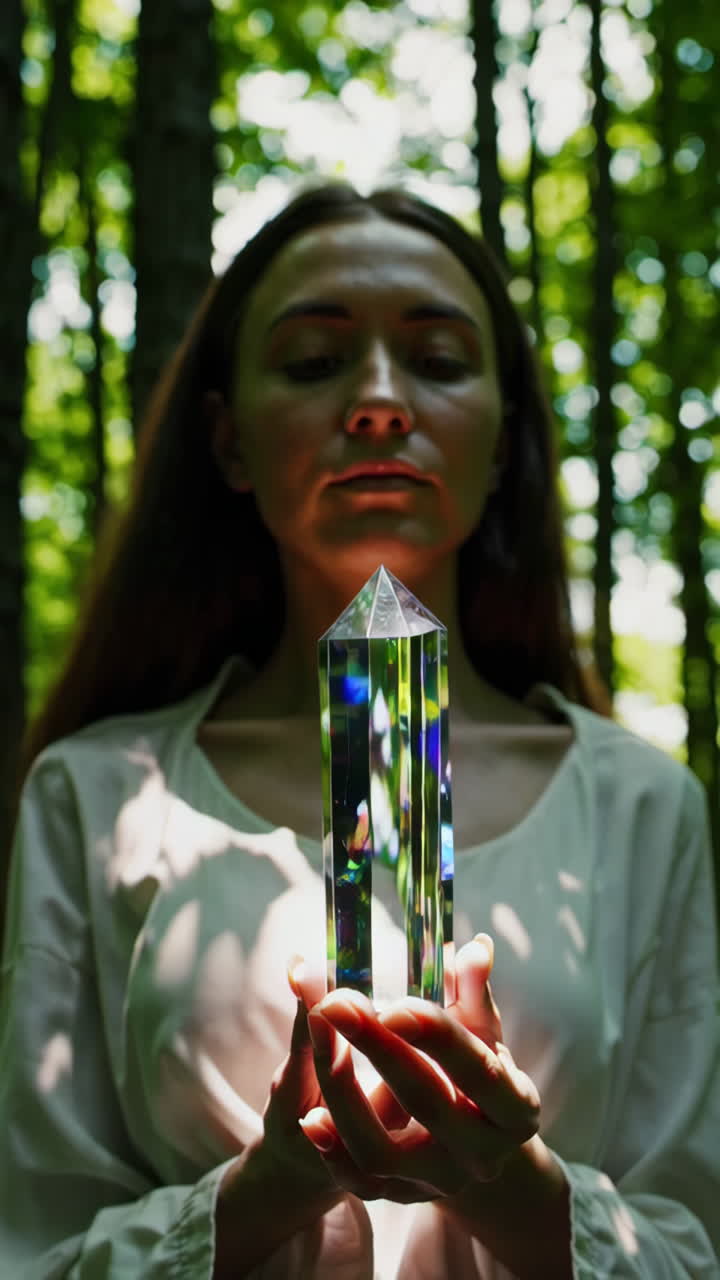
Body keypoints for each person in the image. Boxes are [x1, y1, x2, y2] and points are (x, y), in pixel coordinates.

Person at [1, 181, 718, 1279]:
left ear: (504, 437)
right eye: (312, 360)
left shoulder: (640, 805)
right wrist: (263, 1193)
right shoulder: (99, 795)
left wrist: (520, 1189)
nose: (380, 402)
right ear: (229, 439)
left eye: (437, 359)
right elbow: (29, 1242)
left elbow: (697, 1237)